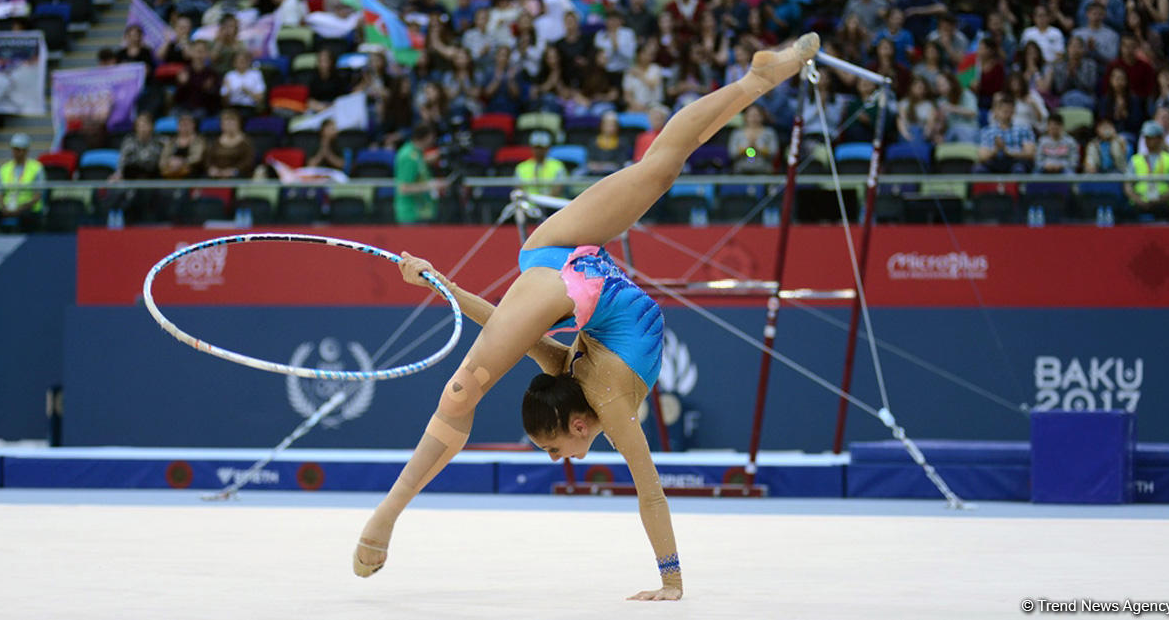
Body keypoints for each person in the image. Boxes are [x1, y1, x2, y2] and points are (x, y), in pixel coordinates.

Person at [352, 33, 823, 600]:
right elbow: (509, 324)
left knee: (461, 391)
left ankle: (385, 515)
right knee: (661, 169)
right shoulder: (581, 374)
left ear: (577, 426)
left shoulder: (599, 394)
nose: (558, 458)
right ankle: (759, 78)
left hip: (567, 276)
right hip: (575, 257)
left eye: (552, 448)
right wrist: (439, 281)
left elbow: (650, 490)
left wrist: (672, 584)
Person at [0, 134, 44, 234]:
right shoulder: (4, 168)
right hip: (6, 208)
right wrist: (4, 208)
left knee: (29, 219)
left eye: (19, 149)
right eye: (14, 149)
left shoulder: (36, 168)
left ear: (26, 150)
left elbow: (38, 195)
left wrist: (22, 208)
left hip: (27, 208)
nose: (16, 152)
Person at [394, 123, 445, 224]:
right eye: (433, 137)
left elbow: (419, 166)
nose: (433, 141)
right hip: (411, 215)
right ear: (428, 137)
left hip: (422, 212)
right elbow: (404, 188)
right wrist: (431, 185)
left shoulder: (417, 153)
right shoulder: (409, 156)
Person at [1125, 121, 1169, 216]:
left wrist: (1161, 199)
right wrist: (1138, 200)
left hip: (1164, 203)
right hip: (1139, 203)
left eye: (1152, 138)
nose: (1148, 141)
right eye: (1146, 138)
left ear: (1160, 138)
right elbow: (1128, 186)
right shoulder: (1135, 159)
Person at [975, 93, 1035, 173]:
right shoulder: (987, 131)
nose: (1006, 113)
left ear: (1014, 111)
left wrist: (1008, 152)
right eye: (1004, 110)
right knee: (978, 169)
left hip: (1016, 162)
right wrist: (996, 150)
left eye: (1009, 110)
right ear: (996, 111)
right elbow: (982, 156)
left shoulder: (1024, 129)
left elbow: (1030, 154)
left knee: (1019, 168)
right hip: (994, 162)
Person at [204, 109, 255, 179]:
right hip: (216, 175)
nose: (229, 124)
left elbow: (249, 161)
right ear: (221, 125)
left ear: (239, 123)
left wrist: (234, 170)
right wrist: (211, 169)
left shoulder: (246, 141)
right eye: (226, 121)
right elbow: (208, 159)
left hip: (238, 176)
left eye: (232, 121)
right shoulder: (214, 142)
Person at [728, 104, 778, 174]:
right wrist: (746, 148)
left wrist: (758, 148)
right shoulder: (737, 133)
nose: (754, 118)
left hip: (764, 170)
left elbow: (774, 153)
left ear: (762, 116)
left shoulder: (769, 133)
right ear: (745, 117)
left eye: (757, 115)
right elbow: (732, 154)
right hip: (741, 170)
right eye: (751, 115)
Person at [515, 130, 567, 196]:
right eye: (536, 148)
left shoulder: (558, 166)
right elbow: (520, 190)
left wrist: (544, 202)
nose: (538, 151)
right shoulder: (521, 167)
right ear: (531, 148)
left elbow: (558, 189)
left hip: (551, 204)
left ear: (548, 148)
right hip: (529, 205)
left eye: (541, 148)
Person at [160, 113, 206, 178]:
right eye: (182, 124)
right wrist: (169, 163)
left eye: (187, 124)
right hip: (171, 173)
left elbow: (197, 157)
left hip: (193, 175)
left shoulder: (199, 141)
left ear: (193, 125)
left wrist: (182, 162)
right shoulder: (171, 142)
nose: (184, 127)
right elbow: (163, 160)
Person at [220, 50, 266, 115]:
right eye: (239, 60)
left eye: (244, 60)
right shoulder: (229, 75)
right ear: (234, 62)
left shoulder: (256, 74)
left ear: (249, 61)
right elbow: (224, 100)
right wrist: (228, 91)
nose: (241, 62)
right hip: (233, 107)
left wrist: (247, 91)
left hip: (250, 107)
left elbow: (260, 98)